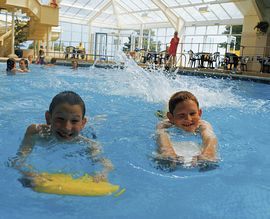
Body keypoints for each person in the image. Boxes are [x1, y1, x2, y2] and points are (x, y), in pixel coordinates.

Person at [13, 91, 113, 182]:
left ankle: (98, 119)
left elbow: (107, 165)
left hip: (85, 132)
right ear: (48, 118)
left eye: (74, 121)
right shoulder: (35, 131)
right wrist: (29, 173)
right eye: (60, 119)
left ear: (82, 123)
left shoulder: (88, 144)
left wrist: (102, 173)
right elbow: (19, 159)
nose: (67, 128)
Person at [156, 91, 217, 166]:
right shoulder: (165, 124)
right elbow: (162, 135)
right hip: (167, 117)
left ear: (199, 113)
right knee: (162, 115)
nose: (188, 119)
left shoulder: (203, 125)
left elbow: (210, 137)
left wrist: (208, 153)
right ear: (171, 117)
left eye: (192, 114)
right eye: (181, 115)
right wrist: (168, 151)